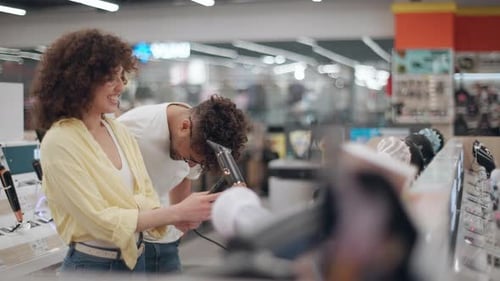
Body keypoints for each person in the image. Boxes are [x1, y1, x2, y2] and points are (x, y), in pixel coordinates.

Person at [30, 28, 219, 273]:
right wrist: (173, 212)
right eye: (112, 78)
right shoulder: (60, 141)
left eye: (122, 78)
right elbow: (100, 221)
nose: (120, 87)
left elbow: (145, 196)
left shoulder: (117, 131)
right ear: (81, 80)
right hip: (92, 266)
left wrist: (174, 216)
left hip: (134, 259)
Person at [118, 94, 250, 273]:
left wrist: (183, 217)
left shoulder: (197, 129)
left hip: (167, 237)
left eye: (198, 163)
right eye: (190, 158)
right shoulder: (133, 133)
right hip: (129, 240)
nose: (191, 165)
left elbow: (184, 176)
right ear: (184, 127)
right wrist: (175, 213)